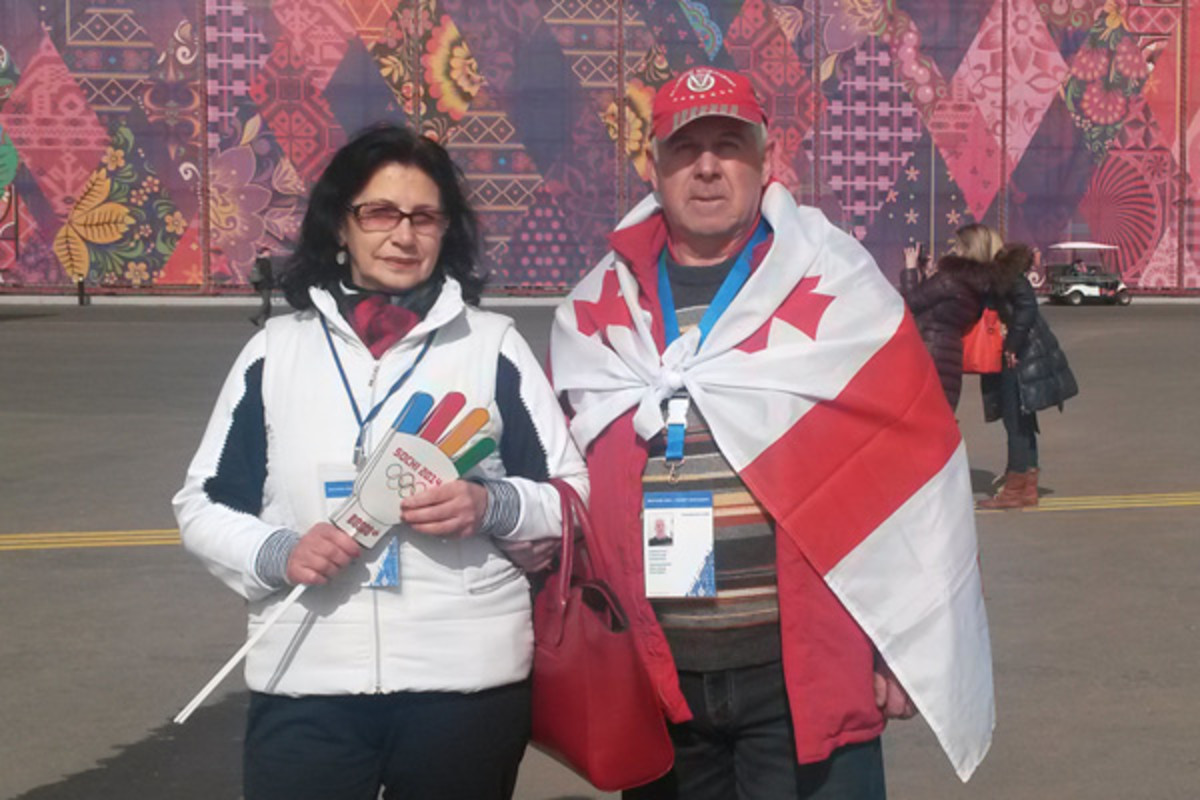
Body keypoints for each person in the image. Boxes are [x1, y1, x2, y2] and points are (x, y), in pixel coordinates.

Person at [551, 66, 993, 799]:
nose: (707, 166)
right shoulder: (598, 310)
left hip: (801, 674)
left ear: (765, 161)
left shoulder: (836, 284)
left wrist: (904, 640)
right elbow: (559, 487)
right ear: (654, 167)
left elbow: (915, 475)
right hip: (658, 683)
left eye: (729, 145)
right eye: (685, 148)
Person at [174, 124, 588, 800]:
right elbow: (202, 506)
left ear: (445, 231)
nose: (404, 235)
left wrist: (491, 505)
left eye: (425, 217)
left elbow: (572, 496)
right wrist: (279, 552)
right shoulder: (275, 351)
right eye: (380, 213)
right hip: (307, 678)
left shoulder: (493, 346)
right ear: (342, 225)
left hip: (463, 687)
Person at [968, 226, 1078, 509]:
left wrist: (1013, 345)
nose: (959, 251)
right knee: (1022, 419)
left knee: (1015, 420)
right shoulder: (1002, 273)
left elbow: (1028, 306)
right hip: (1018, 353)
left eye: (962, 246)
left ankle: (1016, 489)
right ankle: (1027, 483)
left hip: (1016, 357)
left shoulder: (1005, 275)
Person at [898, 240, 990, 410]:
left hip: (930, 351)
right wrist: (927, 277)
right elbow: (934, 307)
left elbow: (911, 303)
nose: (954, 250)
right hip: (950, 354)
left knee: (921, 417)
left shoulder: (949, 280)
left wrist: (910, 269)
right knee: (939, 416)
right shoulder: (974, 286)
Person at [249, 247, 274, 326]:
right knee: (266, 303)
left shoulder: (258, 261)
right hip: (265, 285)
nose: (270, 254)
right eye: (268, 252)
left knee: (268, 304)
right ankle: (256, 317)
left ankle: (267, 321)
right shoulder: (265, 262)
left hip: (260, 285)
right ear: (264, 253)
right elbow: (267, 274)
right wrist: (273, 282)